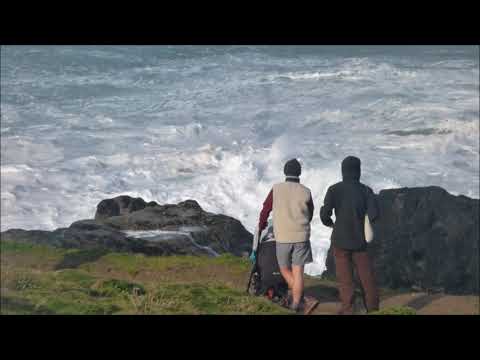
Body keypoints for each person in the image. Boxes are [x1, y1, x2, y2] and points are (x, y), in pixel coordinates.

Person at [320, 156, 380, 314]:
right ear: (358, 171)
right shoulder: (366, 190)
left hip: (340, 241)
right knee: (367, 279)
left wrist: (330, 223)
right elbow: (374, 214)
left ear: (343, 171)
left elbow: (325, 214)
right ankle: (373, 309)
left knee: (346, 282)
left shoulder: (334, 189)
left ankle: (348, 310)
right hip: (360, 242)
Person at [256, 158, 314, 313]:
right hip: (301, 236)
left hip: (283, 237)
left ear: (285, 172)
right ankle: (296, 302)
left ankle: (297, 300)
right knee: (298, 271)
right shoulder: (306, 191)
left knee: (284, 269)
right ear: (299, 173)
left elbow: (265, 210)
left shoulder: (276, 189)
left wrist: (261, 226)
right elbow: (310, 213)